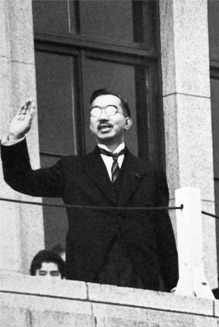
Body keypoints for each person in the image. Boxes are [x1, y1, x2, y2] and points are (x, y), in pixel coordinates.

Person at [1, 90, 178, 291]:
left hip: (140, 280)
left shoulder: (150, 174)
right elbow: (24, 180)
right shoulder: (72, 169)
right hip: (89, 278)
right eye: (95, 112)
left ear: (127, 122)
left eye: (111, 110)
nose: (102, 117)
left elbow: (163, 234)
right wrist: (15, 137)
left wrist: (174, 284)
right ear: (90, 127)